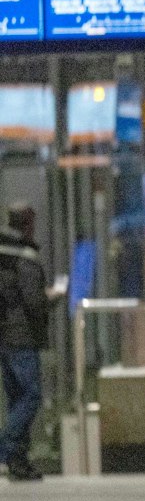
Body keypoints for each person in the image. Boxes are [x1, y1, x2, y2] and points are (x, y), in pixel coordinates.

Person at [0, 203, 49, 482]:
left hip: (4, 336)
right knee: (31, 396)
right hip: (22, 337)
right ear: (28, 222)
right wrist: (50, 299)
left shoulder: (2, 251)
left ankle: (19, 463)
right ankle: (6, 448)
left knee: (15, 398)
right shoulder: (27, 256)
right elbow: (33, 301)